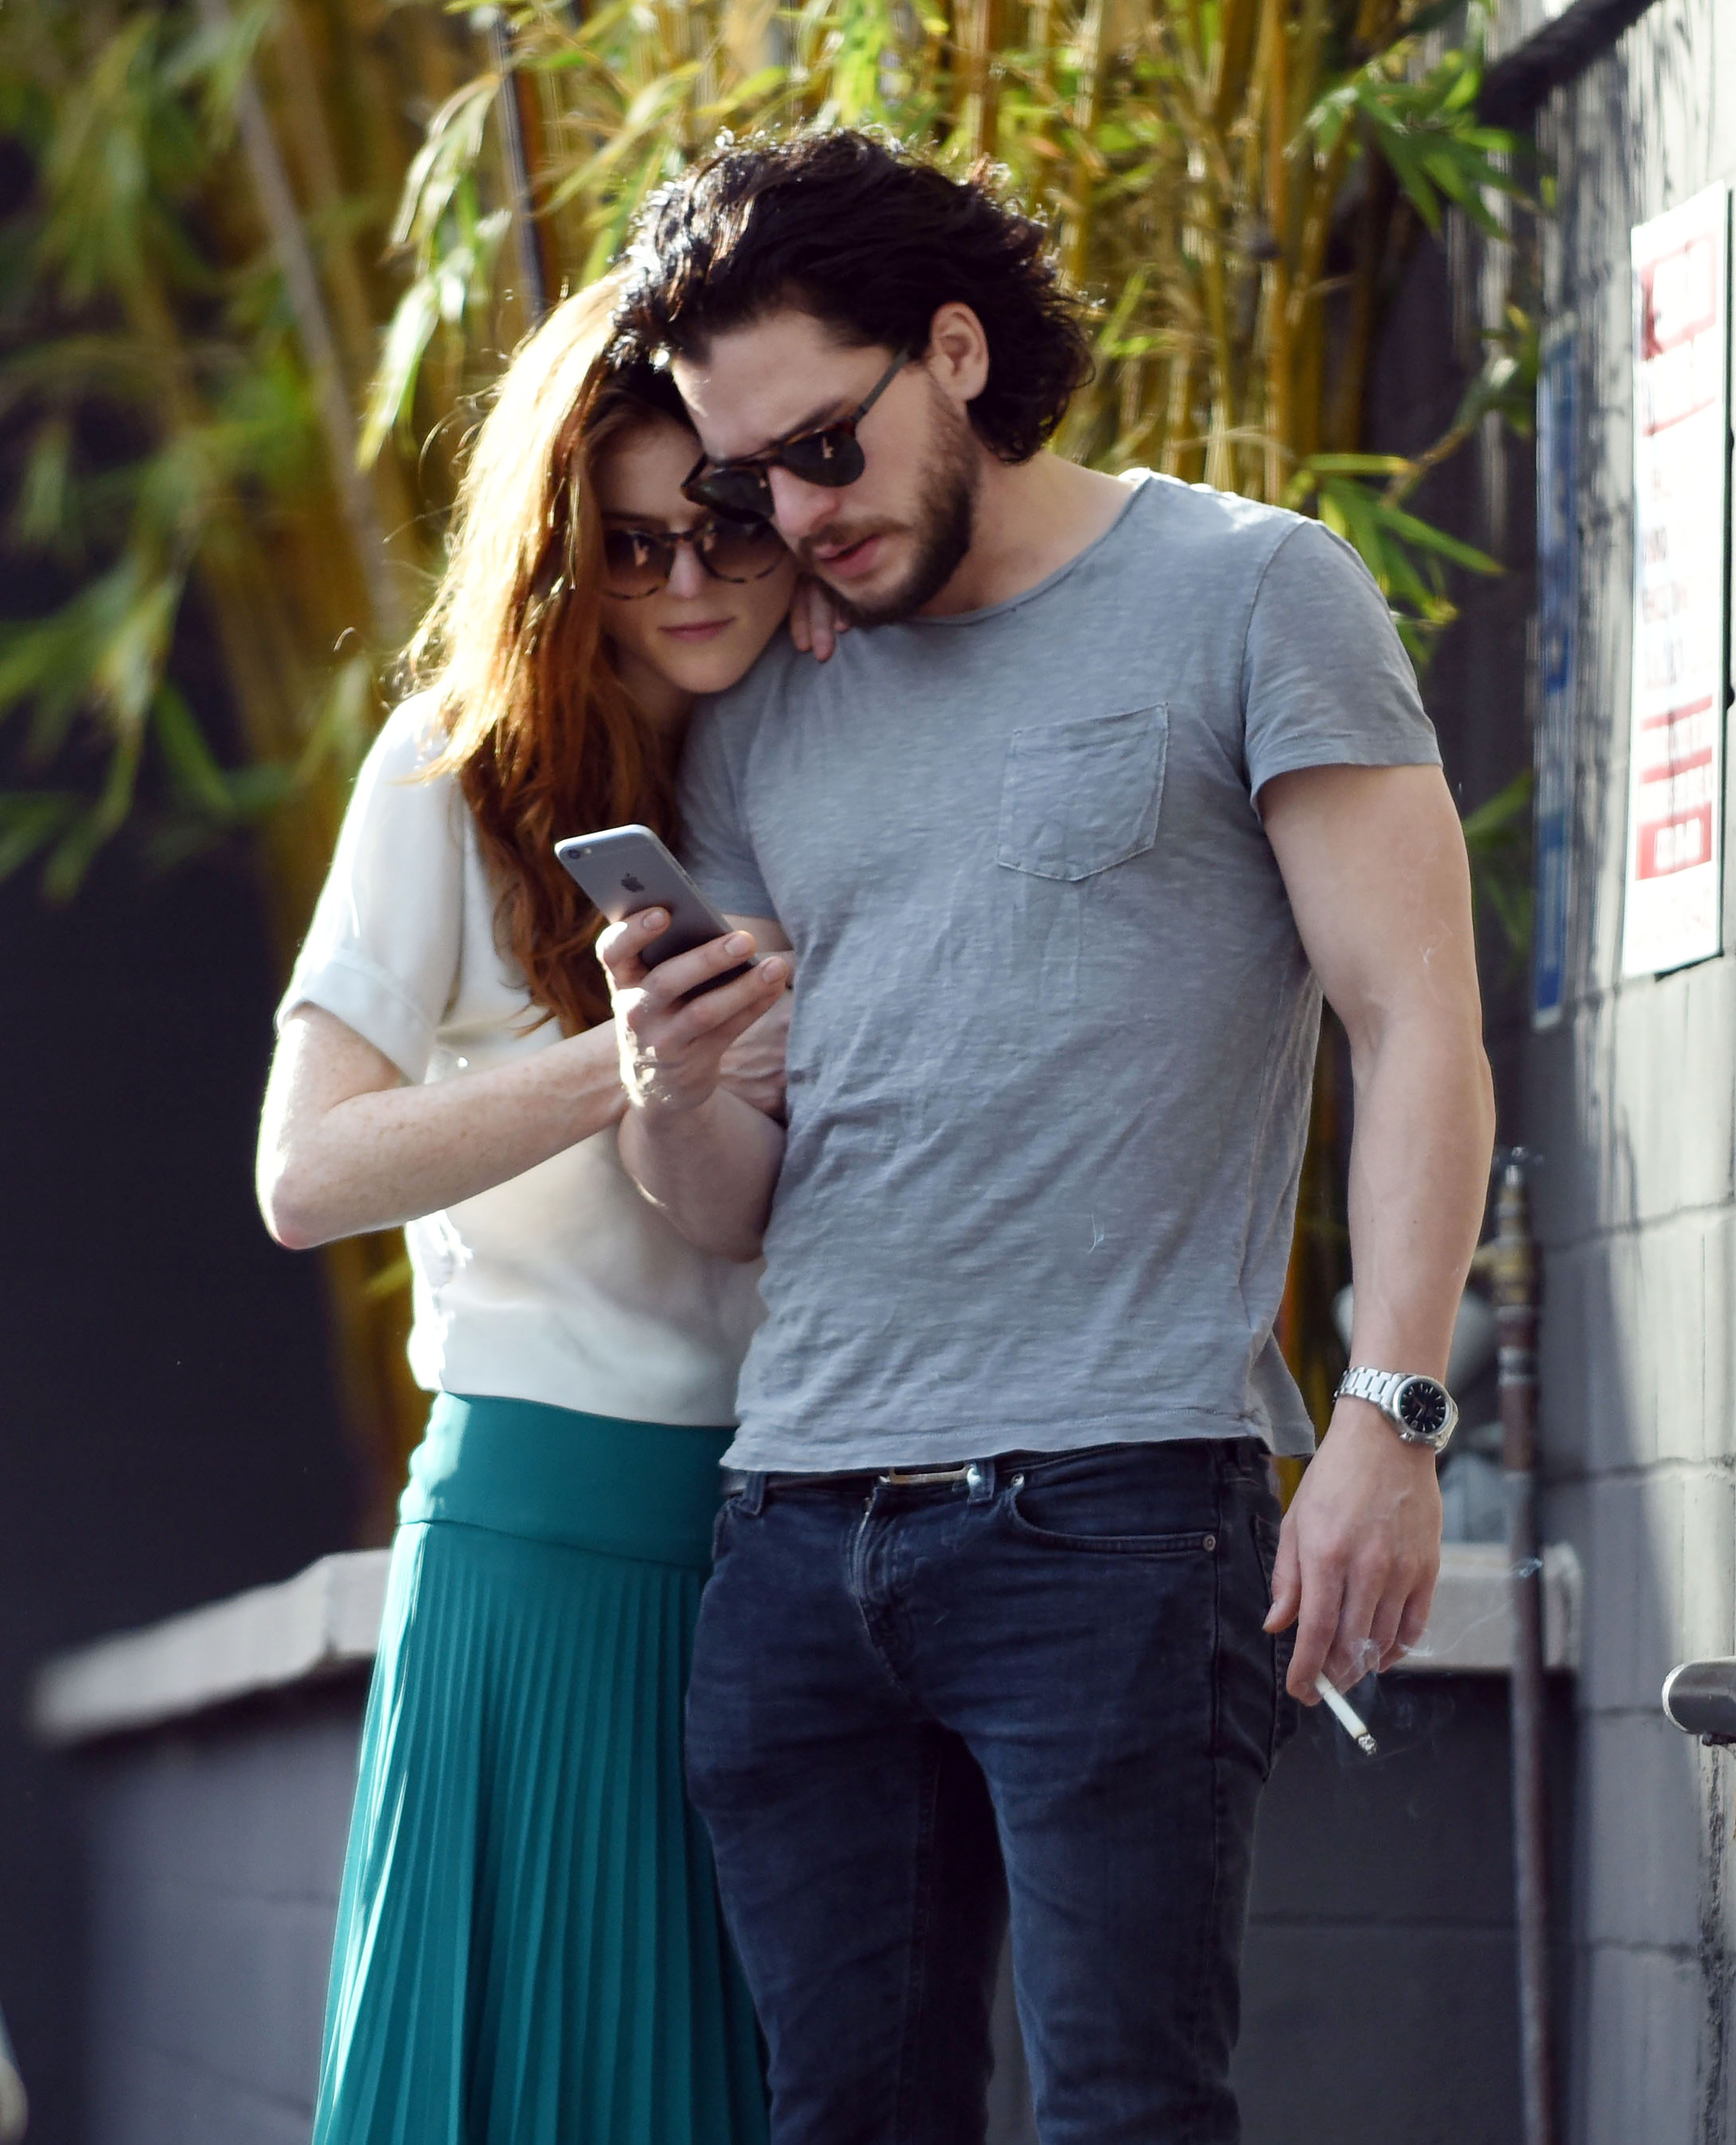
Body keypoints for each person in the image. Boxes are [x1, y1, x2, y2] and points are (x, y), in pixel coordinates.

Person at [596, 132, 1498, 2143]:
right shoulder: (760, 713)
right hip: (792, 1526)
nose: (793, 520)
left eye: (825, 449)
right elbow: (736, 1203)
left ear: (955, 347)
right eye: (748, 483)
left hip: (1107, 1517)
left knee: (1126, 2113)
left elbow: (1410, 1015)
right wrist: (667, 1085)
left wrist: (1390, 1413)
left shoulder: (1250, 589)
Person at [255, 282, 804, 2145]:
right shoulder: (452, 770)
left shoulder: (834, 753)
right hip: (543, 1527)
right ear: (559, 552)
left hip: (799, 1547)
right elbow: (305, 1171)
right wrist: (623, 1048)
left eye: (724, 523)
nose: (684, 580)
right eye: (627, 543)